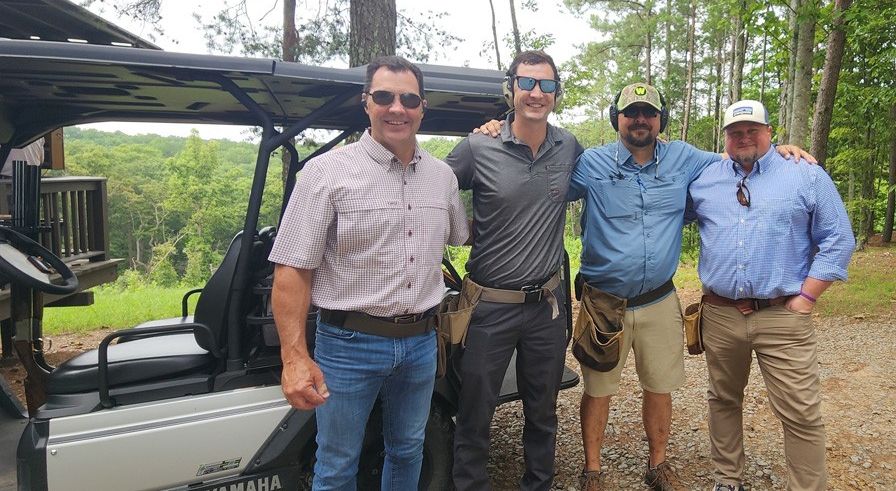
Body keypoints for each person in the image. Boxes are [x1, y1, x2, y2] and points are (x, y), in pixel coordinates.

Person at [473, 83, 810, 491]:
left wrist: (784, 150)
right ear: (617, 119)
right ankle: (592, 471)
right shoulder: (590, 163)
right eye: (630, 112)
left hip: (660, 299)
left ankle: (658, 465)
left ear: (660, 121)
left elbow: (736, 157)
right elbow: (536, 177)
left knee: (660, 385)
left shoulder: (685, 158)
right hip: (603, 302)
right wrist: (502, 128)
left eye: (648, 112)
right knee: (598, 389)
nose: (639, 119)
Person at [269, 55, 469, 490]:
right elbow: (291, 269)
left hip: (420, 343)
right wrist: (295, 358)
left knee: (408, 449)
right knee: (338, 462)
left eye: (408, 99)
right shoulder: (325, 173)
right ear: (367, 103)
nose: (397, 108)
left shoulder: (442, 178)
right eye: (384, 96)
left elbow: (460, 235)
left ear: (422, 107)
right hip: (347, 345)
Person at [688, 100, 854, 491]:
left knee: (800, 412)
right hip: (721, 313)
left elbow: (839, 239)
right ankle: (728, 480)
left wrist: (807, 298)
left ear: (770, 132)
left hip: (782, 315)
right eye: (734, 132)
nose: (743, 137)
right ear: (724, 137)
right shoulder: (705, 179)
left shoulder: (805, 174)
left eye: (752, 130)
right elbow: (661, 212)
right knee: (723, 400)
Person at [444, 49, 584, 491]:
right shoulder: (477, 146)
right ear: (511, 89)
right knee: (475, 412)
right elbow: (430, 188)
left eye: (546, 85)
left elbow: (621, 168)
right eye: (527, 83)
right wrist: (460, 231)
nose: (536, 93)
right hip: (488, 308)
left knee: (542, 412)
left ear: (557, 93)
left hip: (546, 305)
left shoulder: (569, 147)